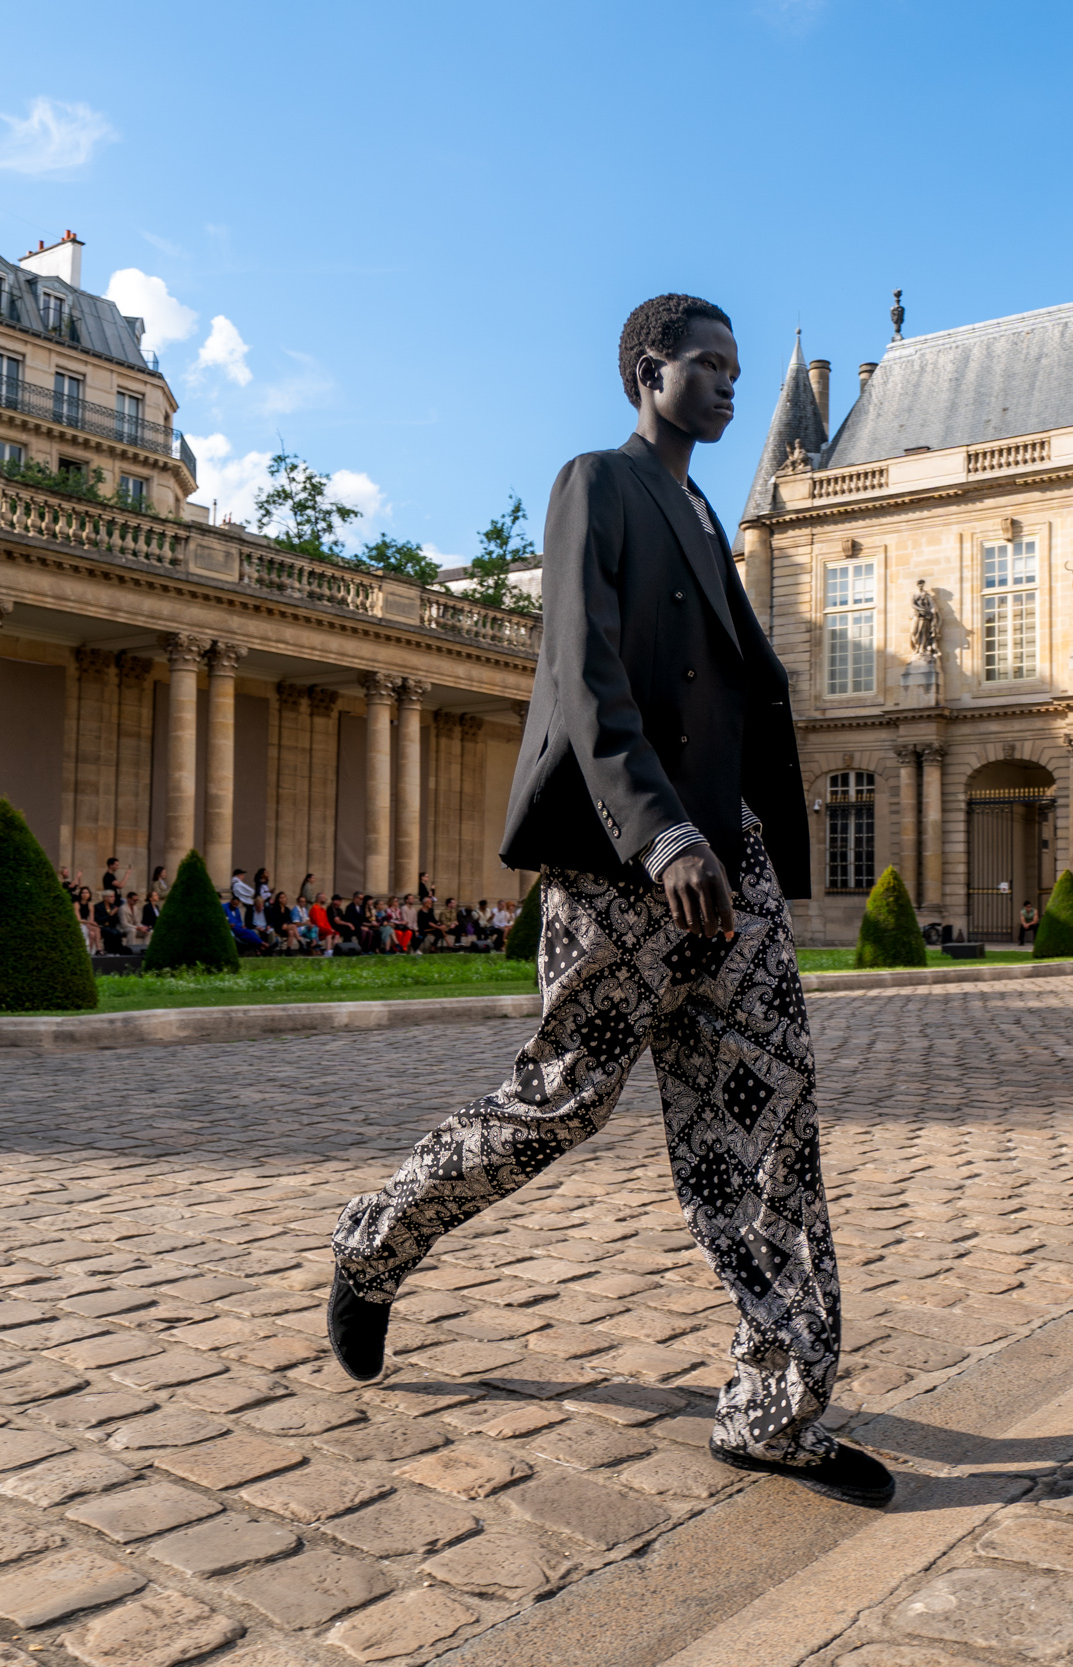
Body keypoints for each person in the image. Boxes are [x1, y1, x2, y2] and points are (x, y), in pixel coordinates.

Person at [326, 293, 887, 1508]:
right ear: (649, 371)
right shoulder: (599, 483)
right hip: (634, 861)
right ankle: (376, 1239)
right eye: (712, 365)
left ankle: (774, 1408)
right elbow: (582, 673)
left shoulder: (700, 511)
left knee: (768, 1117)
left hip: (726, 865)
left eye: (741, 368)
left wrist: (731, 840)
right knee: (562, 1100)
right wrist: (662, 831)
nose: (736, 386)